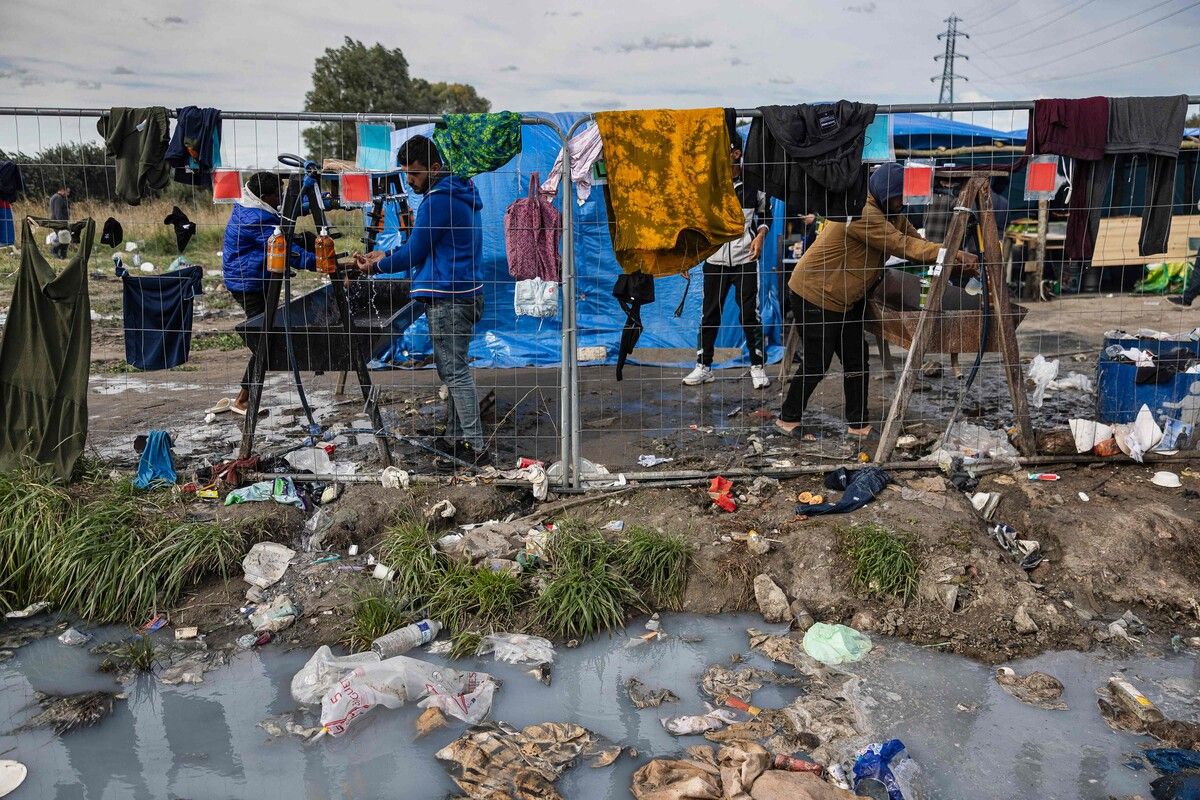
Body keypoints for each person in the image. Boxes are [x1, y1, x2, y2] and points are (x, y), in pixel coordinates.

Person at [776, 162, 977, 441]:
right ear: (886, 192)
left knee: (857, 360)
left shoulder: (890, 211)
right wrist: (954, 254)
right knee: (817, 362)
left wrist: (951, 256)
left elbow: (913, 238)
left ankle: (858, 424)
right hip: (816, 292)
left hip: (848, 295)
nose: (903, 202)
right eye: (900, 196)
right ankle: (788, 418)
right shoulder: (862, 212)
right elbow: (904, 246)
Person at [355, 135, 489, 466]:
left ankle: (474, 446)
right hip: (463, 293)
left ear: (434, 167)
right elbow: (427, 243)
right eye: (405, 174)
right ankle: (457, 439)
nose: (409, 181)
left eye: (414, 174)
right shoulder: (458, 193)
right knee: (453, 370)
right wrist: (384, 253)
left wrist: (379, 265)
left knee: (455, 373)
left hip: (450, 298)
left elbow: (415, 252)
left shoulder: (438, 200)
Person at [221, 171, 316, 415]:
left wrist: (310, 203)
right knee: (265, 340)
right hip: (248, 285)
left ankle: (243, 395)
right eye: (278, 195)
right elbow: (286, 252)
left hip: (254, 277)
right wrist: (321, 263)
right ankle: (242, 399)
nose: (281, 198)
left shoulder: (251, 205)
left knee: (266, 336)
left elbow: (281, 215)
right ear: (265, 196)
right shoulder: (257, 218)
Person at [682, 132, 772, 389]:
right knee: (709, 314)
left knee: (749, 314)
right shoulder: (708, 185)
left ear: (736, 153)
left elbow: (766, 215)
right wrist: (689, 256)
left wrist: (761, 235)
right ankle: (704, 366)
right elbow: (697, 225)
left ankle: (757, 366)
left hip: (745, 259)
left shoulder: (754, 184)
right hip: (715, 261)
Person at [48, 184, 69, 258]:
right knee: (64, 237)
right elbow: (58, 212)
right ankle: (54, 251)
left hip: (58, 221)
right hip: (58, 222)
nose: (68, 194)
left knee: (64, 237)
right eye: (67, 192)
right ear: (63, 190)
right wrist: (61, 223)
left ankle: (62, 255)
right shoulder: (58, 198)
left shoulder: (57, 197)